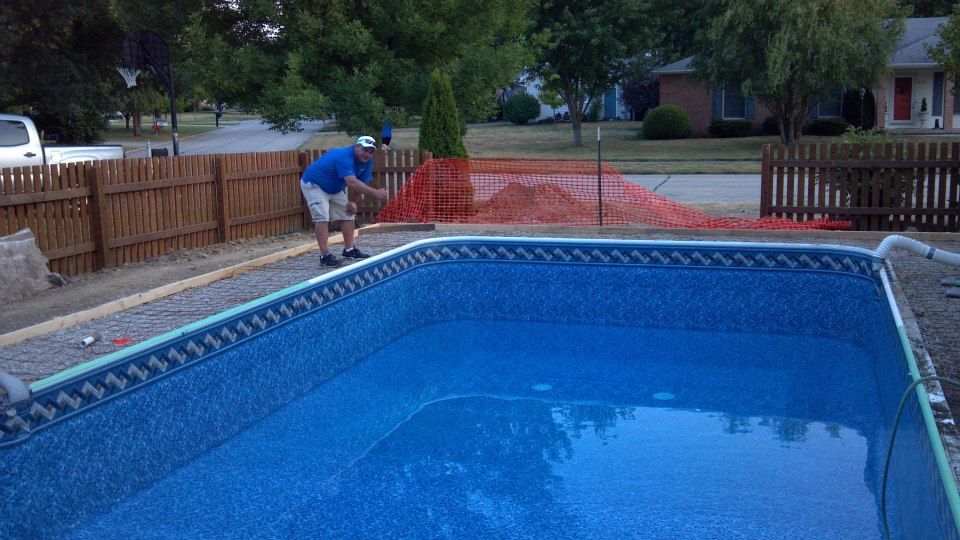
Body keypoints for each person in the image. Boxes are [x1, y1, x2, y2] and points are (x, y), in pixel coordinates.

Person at [300, 136, 389, 266]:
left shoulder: (367, 161)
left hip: (333, 188)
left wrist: (353, 202)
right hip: (314, 184)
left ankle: (349, 250)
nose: (367, 154)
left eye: (370, 152)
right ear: (356, 147)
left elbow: (361, 182)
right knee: (322, 216)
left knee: (348, 212)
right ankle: (325, 256)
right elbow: (351, 182)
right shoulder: (343, 156)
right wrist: (376, 193)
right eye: (365, 150)